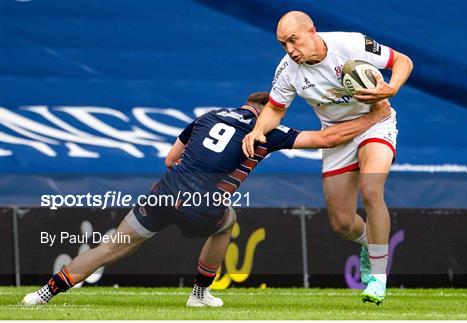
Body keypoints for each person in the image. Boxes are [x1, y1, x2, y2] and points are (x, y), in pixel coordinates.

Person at [22, 92, 390, 307]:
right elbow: (326, 140)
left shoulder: (207, 116)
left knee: (112, 246)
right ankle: (199, 293)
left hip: (165, 191)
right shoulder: (266, 130)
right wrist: (374, 117)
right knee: (226, 224)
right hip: (204, 203)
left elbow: (170, 159)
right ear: (266, 110)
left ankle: (43, 294)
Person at [243, 11, 413, 304]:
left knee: (371, 191)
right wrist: (258, 129)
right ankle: (367, 244)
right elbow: (274, 108)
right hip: (337, 134)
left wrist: (393, 86)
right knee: (343, 224)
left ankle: (379, 278)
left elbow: (402, 61)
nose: (290, 50)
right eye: (284, 45)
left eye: (294, 40)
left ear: (311, 31)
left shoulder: (351, 45)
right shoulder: (288, 70)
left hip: (376, 119)